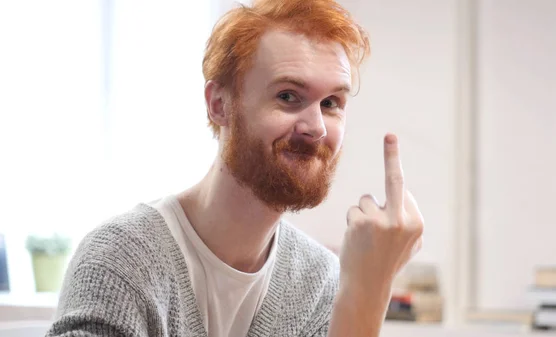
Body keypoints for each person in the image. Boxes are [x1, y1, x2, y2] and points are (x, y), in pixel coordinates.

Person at [47, 0, 424, 336]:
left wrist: (367, 294)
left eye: (331, 102)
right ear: (218, 104)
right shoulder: (122, 260)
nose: (316, 127)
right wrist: (363, 293)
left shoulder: (318, 283)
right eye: (288, 96)